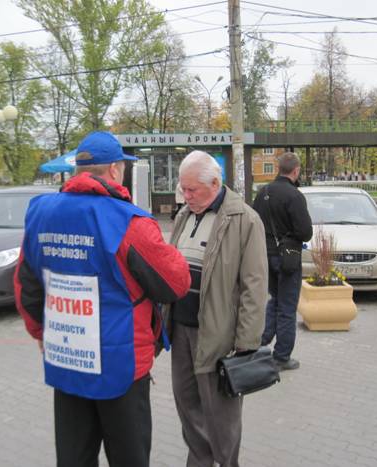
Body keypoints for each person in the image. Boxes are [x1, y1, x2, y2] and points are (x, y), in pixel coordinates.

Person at [14, 131, 191, 467]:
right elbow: (175, 283)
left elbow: (27, 285)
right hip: (121, 366)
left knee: (74, 457)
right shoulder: (128, 221)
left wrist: (40, 333)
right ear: (113, 170)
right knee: (129, 457)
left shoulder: (41, 213)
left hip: (67, 358)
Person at [163, 150, 268, 467]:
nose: (186, 195)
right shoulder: (184, 215)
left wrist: (247, 341)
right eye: (183, 188)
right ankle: (199, 461)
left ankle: (226, 462)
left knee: (221, 414)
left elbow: (254, 285)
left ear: (214, 183)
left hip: (218, 335)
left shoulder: (245, 220)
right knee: (187, 404)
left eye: (192, 189)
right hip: (181, 330)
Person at [253, 152, 313, 371]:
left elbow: (254, 223)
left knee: (275, 300)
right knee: (287, 307)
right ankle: (281, 356)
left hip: (264, 255)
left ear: (279, 169)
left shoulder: (263, 192)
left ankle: (260, 342)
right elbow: (305, 232)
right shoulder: (294, 196)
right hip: (287, 258)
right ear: (296, 171)